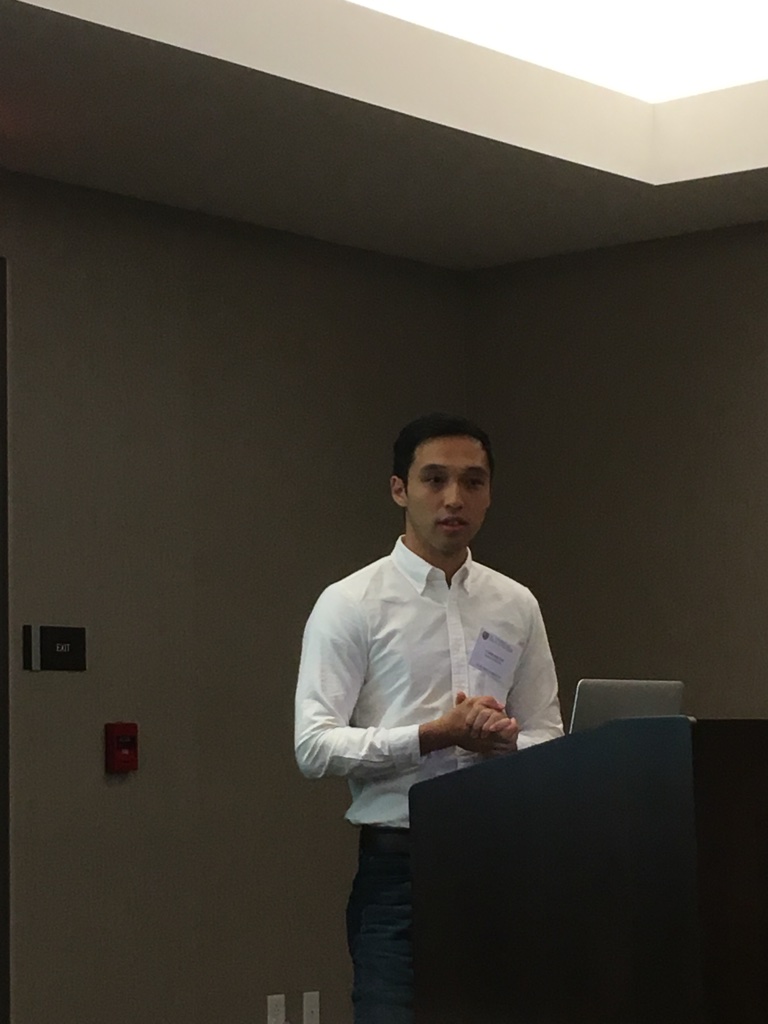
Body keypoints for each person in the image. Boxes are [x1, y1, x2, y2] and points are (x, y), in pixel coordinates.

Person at [294, 413, 563, 1024]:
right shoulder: (351, 604)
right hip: (401, 872)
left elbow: (548, 734)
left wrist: (508, 744)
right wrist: (434, 736)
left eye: (472, 482)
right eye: (434, 479)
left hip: (504, 863)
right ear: (400, 490)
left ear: (489, 494)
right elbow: (314, 746)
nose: (454, 498)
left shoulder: (515, 604)